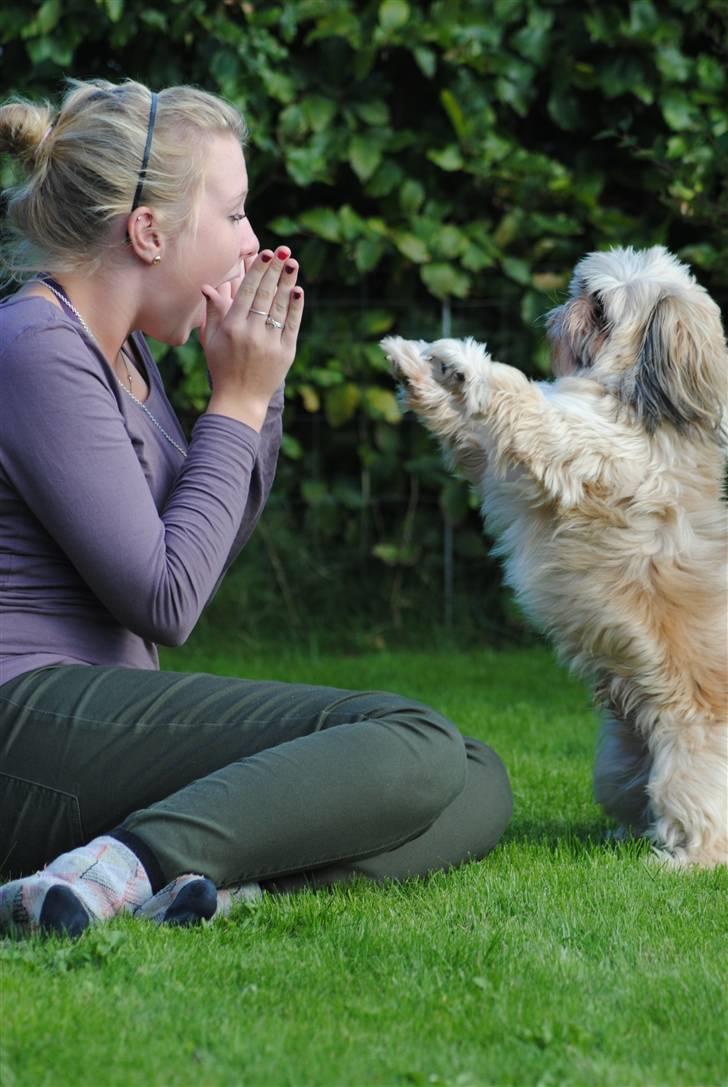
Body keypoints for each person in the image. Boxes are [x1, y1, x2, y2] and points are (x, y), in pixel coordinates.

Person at [0, 78, 512, 939]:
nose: (252, 242)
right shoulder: (34, 346)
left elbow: (202, 553)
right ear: (148, 231)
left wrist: (255, 395)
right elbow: (165, 600)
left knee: (474, 772)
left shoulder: (128, 358)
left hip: (98, 722)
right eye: (233, 214)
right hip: (26, 730)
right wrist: (234, 404)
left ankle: (210, 885)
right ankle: (120, 867)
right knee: (413, 739)